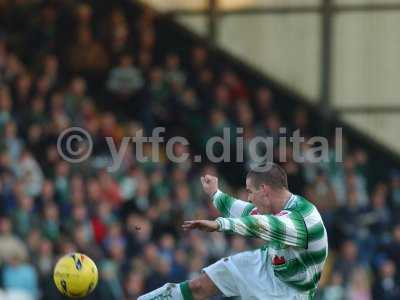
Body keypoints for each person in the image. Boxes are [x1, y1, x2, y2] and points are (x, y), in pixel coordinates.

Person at [138, 162, 328, 300]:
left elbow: (260, 225)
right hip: (268, 265)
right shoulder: (276, 207)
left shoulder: (303, 221)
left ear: (264, 190)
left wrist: (220, 225)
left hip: (291, 292)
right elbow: (245, 211)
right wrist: (215, 193)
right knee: (198, 286)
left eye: (250, 191)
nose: (249, 198)